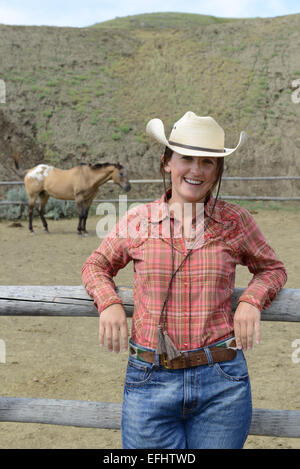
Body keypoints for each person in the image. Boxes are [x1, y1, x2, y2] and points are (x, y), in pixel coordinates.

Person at [81, 111, 287, 449]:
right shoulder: (138, 220)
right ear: (167, 162)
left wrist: (251, 300)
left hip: (221, 381)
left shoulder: (235, 221)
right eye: (186, 158)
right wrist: (110, 302)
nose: (196, 170)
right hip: (150, 380)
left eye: (208, 162)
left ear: (217, 171)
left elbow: (272, 269)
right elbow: (96, 264)